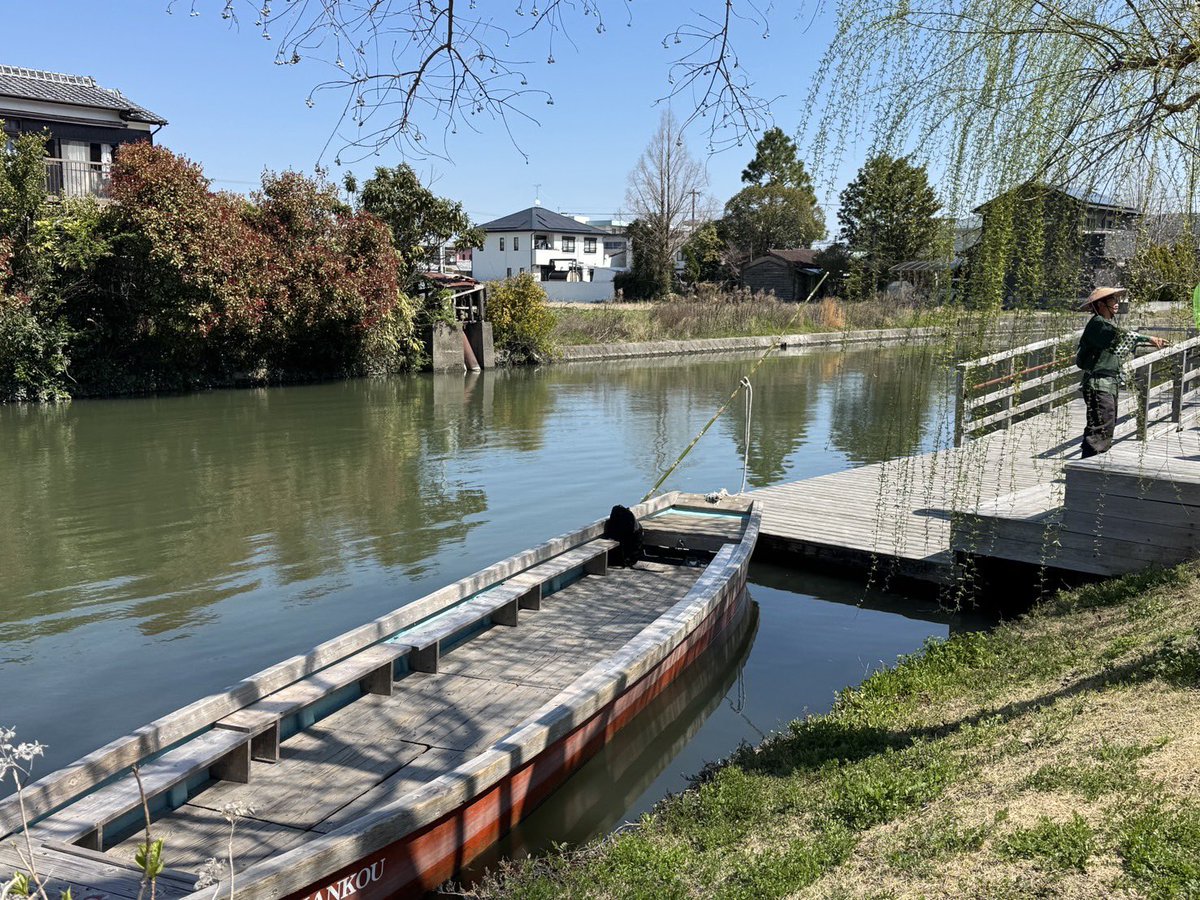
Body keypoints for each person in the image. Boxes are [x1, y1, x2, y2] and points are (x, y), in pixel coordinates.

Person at [1075, 286, 1166, 458]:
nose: (1116, 303)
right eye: (1112, 300)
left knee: (1104, 424)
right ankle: (1090, 467)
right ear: (1101, 304)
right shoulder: (1098, 324)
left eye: (1116, 300)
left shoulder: (1105, 325)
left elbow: (1121, 342)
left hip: (1107, 384)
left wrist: (1144, 341)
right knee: (1101, 426)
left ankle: (1092, 463)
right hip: (1099, 384)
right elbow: (1121, 337)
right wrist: (1148, 339)